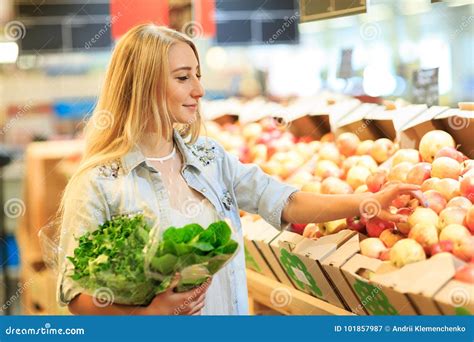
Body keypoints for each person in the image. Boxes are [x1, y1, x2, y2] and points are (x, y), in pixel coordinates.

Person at [57, 24, 422, 316]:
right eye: (183, 78)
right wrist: (146, 317)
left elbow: (285, 202)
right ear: (142, 86)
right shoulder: (99, 182)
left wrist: (367, 202)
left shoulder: (209, 158)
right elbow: (76, 295)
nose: (199, 90)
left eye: (197, 75)